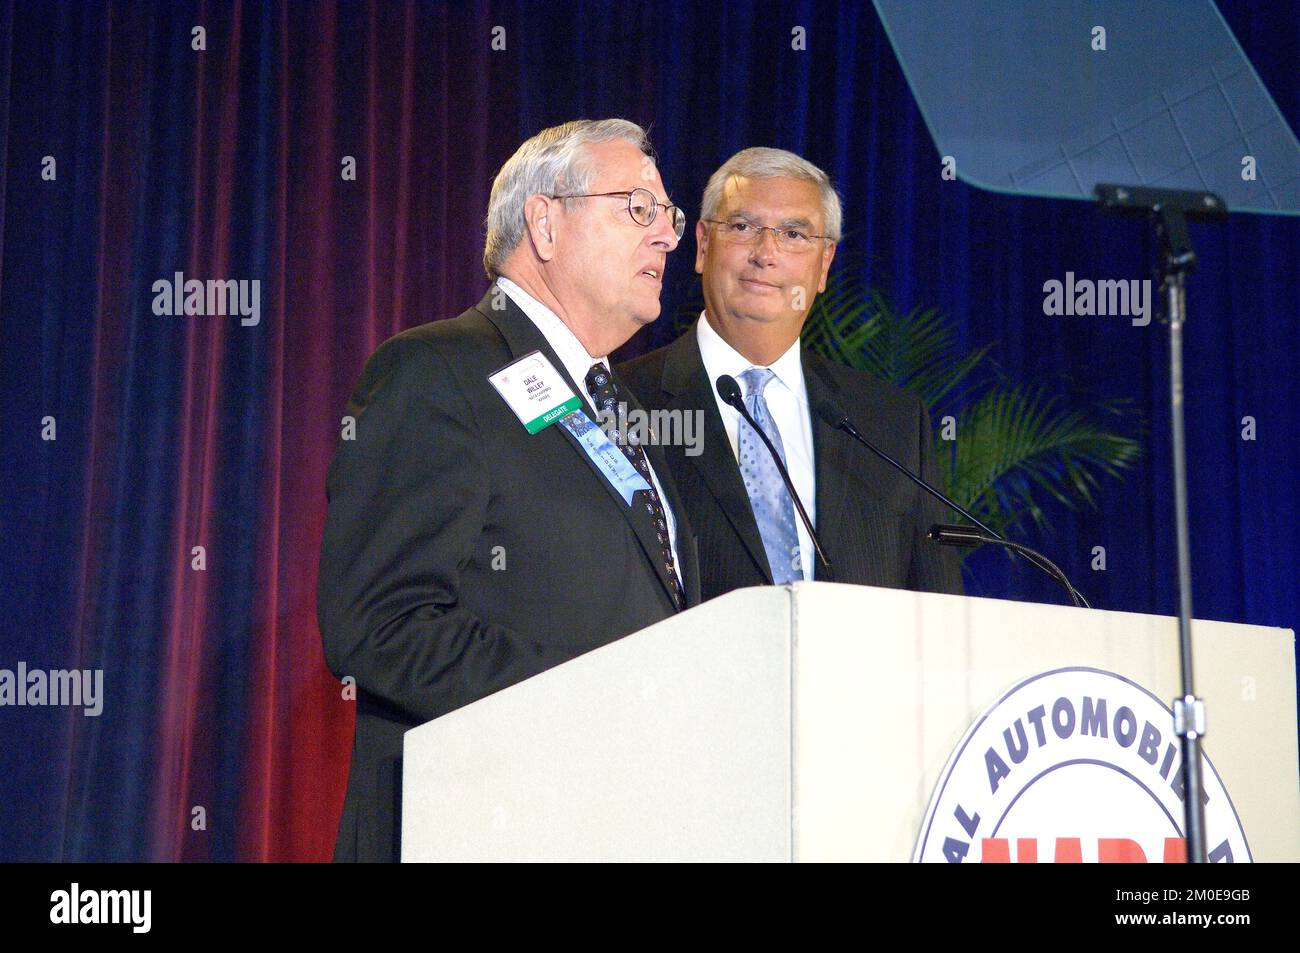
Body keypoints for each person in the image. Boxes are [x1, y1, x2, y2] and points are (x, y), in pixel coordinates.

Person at [318, 119, 698, 862]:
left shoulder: (620, 407)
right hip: (472, 825)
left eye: (670, 217)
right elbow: (377, 625)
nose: (667, 237)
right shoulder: (437, 371)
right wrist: (602, 696)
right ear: (546, 222)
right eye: (638, 208)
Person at [618, 147, 962, 601]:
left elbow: (938, 610)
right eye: (742, 227)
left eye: (794, 234)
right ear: (702, 245)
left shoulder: (892, 425)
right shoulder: (623, 404)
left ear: (824, 264)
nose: (766, 254)